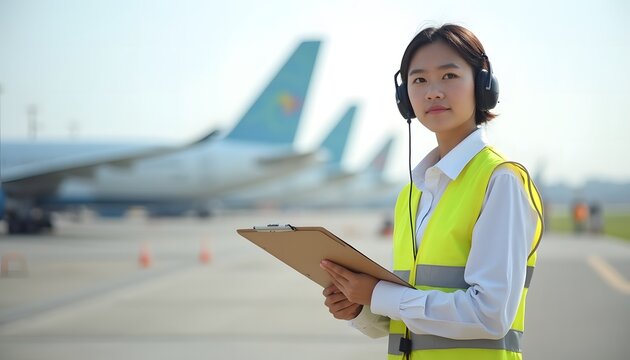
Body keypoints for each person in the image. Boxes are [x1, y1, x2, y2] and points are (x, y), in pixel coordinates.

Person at [320, 24, 543, 360]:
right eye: (419, 80)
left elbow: (490, 315)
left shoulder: (501, 180)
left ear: (482, 86)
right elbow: (413, 314)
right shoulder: (413, 193)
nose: (433, 92)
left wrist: (379, 294)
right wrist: (361, 308)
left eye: (449, 76)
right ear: (404, 98)